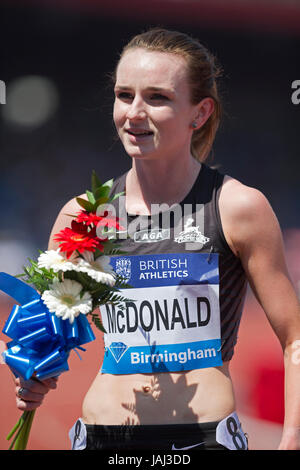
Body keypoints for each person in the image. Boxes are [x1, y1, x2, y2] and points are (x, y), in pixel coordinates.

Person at [14, 28, 300, 451]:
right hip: (101, 439)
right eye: (124, 95)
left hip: (201, 441)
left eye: (157, 98)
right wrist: (33, 374)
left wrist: (292, 438)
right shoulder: (85, 214)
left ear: (199, 113)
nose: (134, 112)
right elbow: (47, 328)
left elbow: (294, 338)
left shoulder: (237, 207)